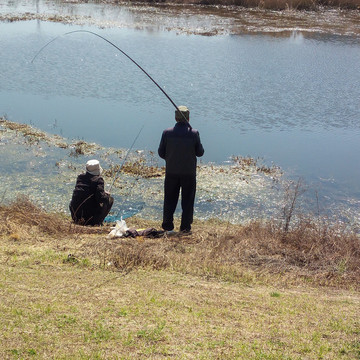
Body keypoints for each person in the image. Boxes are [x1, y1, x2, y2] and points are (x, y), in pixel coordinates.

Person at [158, 105, 204, 233]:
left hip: (171, 172)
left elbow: (161, 153)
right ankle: (185, 228)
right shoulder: (194, 133)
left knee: (169, 200)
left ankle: (167, 227)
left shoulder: (167, 133)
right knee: (188, 201)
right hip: (188, 174)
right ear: (188, 118)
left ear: (175, 117)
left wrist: (171, 158)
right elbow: (200, 153)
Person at [69, 159, 113, 226]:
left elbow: (86, 191)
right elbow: (101, 198)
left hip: (75, 215)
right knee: (109, 199)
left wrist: (102, 193)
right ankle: (97, 222)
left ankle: (80, 220)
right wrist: (106, 195)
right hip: (89, 219)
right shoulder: (98, 180)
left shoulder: (80, 177)